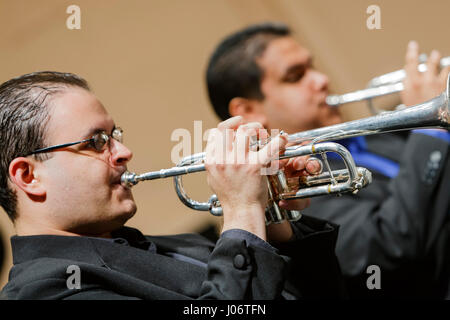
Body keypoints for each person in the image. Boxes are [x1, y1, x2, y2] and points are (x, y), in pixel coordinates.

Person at [0, 71, 346, 300]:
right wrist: (241, 210)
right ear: (29, 176)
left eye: (114, 136)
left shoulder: (182, 246)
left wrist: (271, 216)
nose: (123, 152)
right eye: (95, 142)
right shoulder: (46, 292)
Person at [206, 22, 450, 298]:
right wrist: (432, 131)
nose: (321, 80)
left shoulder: (377, 136)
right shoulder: (294, 191)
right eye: (296, 76)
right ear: (248, 110)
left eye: (312, 67)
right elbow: (387, 247)